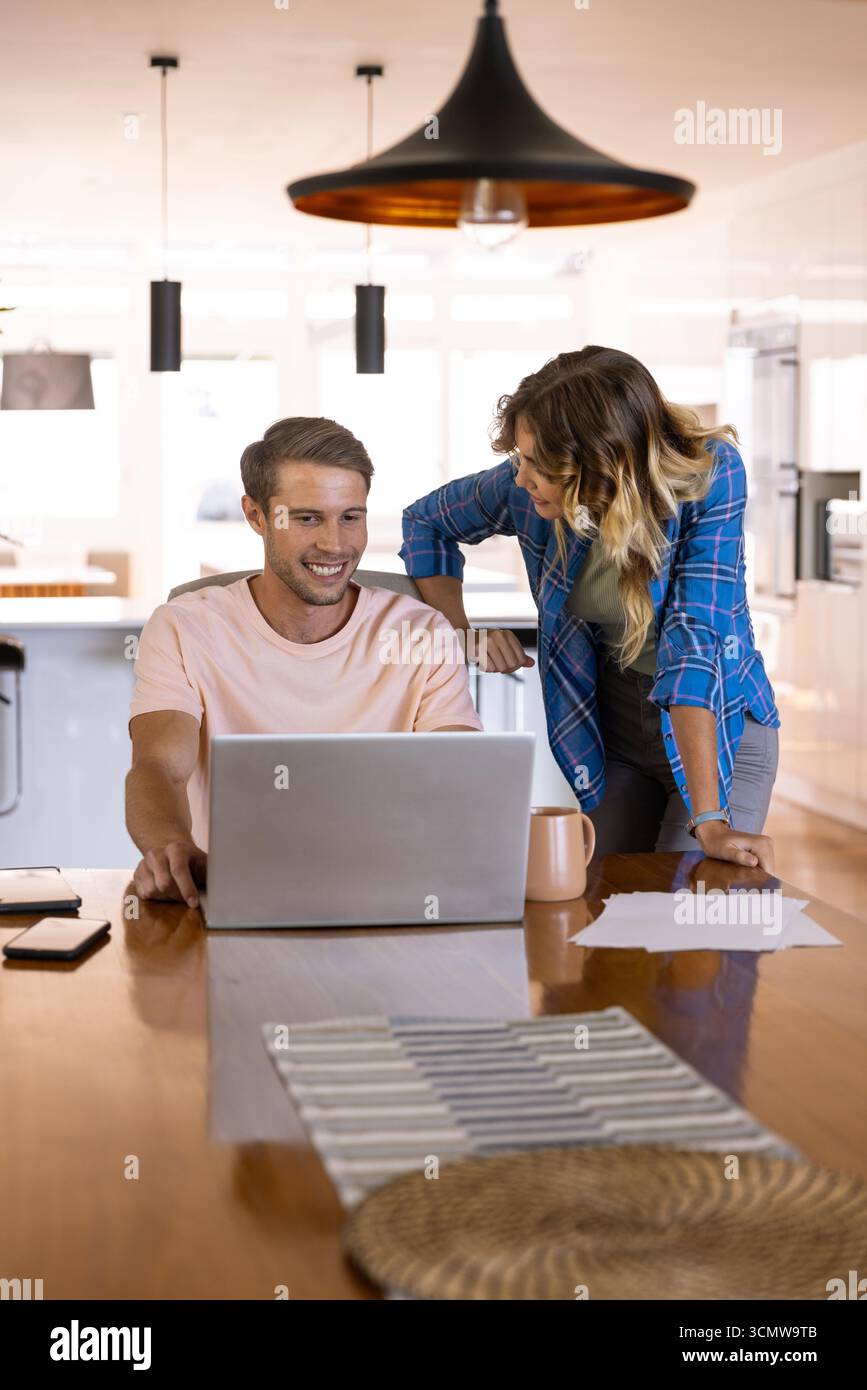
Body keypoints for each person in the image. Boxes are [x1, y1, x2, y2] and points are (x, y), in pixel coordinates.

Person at [400, 346, 779, 871]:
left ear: (601, 465)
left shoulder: (709, 478)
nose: (519, 478)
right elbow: (427, 522)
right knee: (607, 901)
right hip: (614, 727)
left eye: (538, 464)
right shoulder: (525, 491)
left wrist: (710, 818)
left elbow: (696, 649)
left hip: (715, 723)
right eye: (520, 457)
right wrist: (462, 632)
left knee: (693, 907)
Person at [126, 416, 481, 907]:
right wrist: (171, 848)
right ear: (255, 516)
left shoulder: (421, 633)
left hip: (391, 894)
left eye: (351, 517)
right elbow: (159, 767)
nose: (335, 544)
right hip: (233, 895)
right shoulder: (183, 628)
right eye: (308, 518)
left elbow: (461, 779)